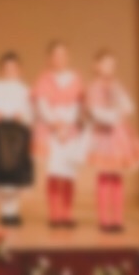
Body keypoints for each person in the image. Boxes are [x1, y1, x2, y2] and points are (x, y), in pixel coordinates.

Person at [84, 50, 139, 233]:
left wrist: (121, 109)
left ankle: (118, 218)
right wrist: (114, 115)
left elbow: (129, 105)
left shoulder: (116, 85)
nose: (109, 68)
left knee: (118, 176)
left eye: (112, 64)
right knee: (104, 175)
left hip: (119, 135)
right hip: (104, 134)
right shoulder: (94, 87)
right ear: (96, 66)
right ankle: (104, 218)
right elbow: (95, 111)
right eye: (105, 64)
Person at [32, 41, 87, 229]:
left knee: (69, 174)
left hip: (71, 131)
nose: (59, 59)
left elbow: (79, 105)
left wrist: (69, 125)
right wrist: (56, 125)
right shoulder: (44, 79)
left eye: (63, 55)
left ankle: (67, 213)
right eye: (56, 55)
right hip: (52, 131)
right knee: (55, 173)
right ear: (50, 58)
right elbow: (42, 105)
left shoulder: (76, 78)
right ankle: (55, 214)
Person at [0, 51, 34, 227]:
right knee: (2, 173)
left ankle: (13, 211)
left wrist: (22, 116)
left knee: (16, 174)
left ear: (19, 69)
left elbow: (29, 112)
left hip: (18, 134)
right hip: (1, 134)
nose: (10, 71)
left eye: (13, 68)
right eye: (6, 68)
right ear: (1, 70)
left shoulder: (24, 89)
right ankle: (4, 211)